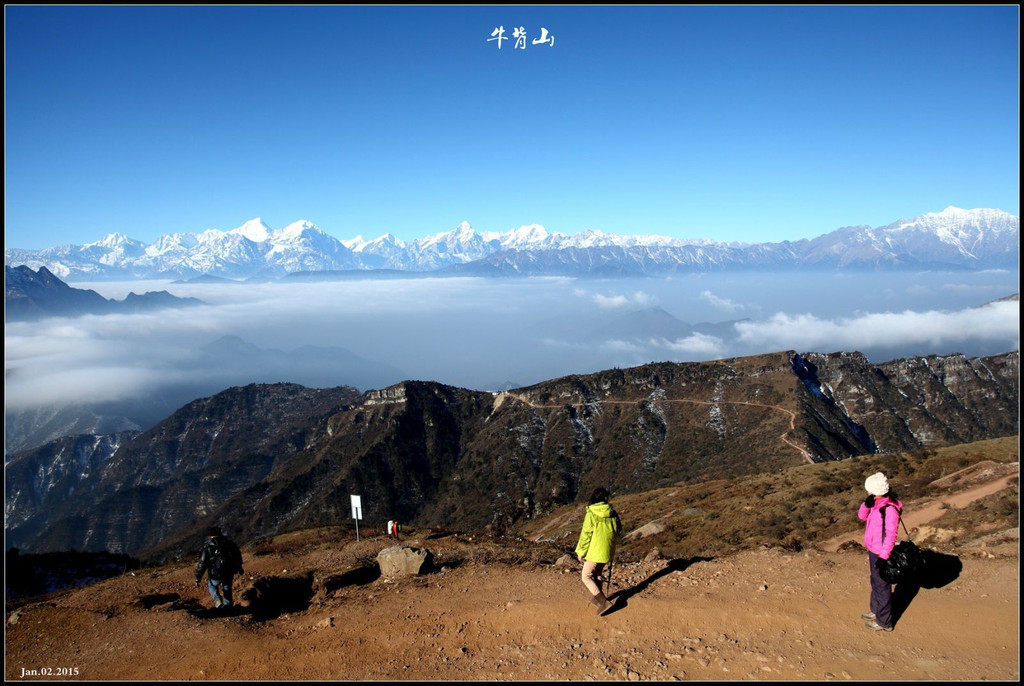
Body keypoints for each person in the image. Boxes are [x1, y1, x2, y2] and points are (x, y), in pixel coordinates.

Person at [857, 472, 903, 632]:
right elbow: (861, 516)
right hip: (873, 549)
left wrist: (884, 557)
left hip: (882, 552)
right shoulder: (876, 504)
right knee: (875, 581)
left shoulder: (889, 509)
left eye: (869, 490)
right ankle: (875, 610)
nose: (867, 493)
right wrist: (866, 504)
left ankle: (884, 622)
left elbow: (891, 535)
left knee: (882, 585)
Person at [575, 487, 622, 616]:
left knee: (586, 576)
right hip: (608, 550)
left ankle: (603, 601)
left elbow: (586, 534)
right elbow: (618, 530)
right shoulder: (612, 512)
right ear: (606, 499)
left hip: (595, 551)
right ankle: (598, 598)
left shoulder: (591, 513)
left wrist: (581, 552)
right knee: (596, 574)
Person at [195, 526, 244, 610]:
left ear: (210, 536)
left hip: (215, 574)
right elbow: (237, 557)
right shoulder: (230, 545)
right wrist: (239, 568)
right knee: (227, 588)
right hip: (228, 572)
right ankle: (227, 606)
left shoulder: (208, 548)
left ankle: (217, 600)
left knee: (211, 586)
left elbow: (202, 564)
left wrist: (198, 577)